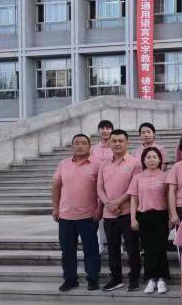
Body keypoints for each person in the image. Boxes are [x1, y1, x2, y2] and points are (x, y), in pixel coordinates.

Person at [52, 134, 102, 292]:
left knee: (91, 249)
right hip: (65, 216)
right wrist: (55, 207)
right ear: (72, 146)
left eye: (83, 143)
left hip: (88, 215)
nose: (80, 146)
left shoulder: (98, 165)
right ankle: (70, 279)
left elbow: (102, 188)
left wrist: (100, 207)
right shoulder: (63, 164)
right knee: (67, 250)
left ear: (89, 146)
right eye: (76, 143)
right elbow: (56, 186)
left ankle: (92, 278)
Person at [97, 129, 143, 291]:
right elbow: (99, 188)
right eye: (114, 141)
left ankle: (134, 278)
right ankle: (116, 278)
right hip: (109, 214)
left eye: (120, 141)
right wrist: (108, 204)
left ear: (127, 142)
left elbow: (134, 188)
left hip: (128, 213)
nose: (117, 144)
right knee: (112, 248)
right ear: (109, 143)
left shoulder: (135, 163)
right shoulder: (104, 164)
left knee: (132, 248)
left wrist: (117, 202)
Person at [129, 147, 171, 295]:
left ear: (160, 160)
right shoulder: (138, 177)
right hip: (144, 216)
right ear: (143, 160)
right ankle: (151, 279)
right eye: (148, 157)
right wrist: (133, 218)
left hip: (161, 216)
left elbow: (170, 198)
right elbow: (134, 199)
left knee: (160, 248)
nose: (152, 160)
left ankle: (161, 279)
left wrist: (171, 216)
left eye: (154, 157)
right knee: (148, 249)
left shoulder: (166, 176)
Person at [92, 120, 113, 255]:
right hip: (96, 184)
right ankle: (100, 244)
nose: (105, 131)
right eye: (102, 128)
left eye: (108, 128)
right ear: (99, 131)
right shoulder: (93, 149)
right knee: (98, 216)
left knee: (114, 216)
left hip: (112, 184)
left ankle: (116, 245)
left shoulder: (116, 146)